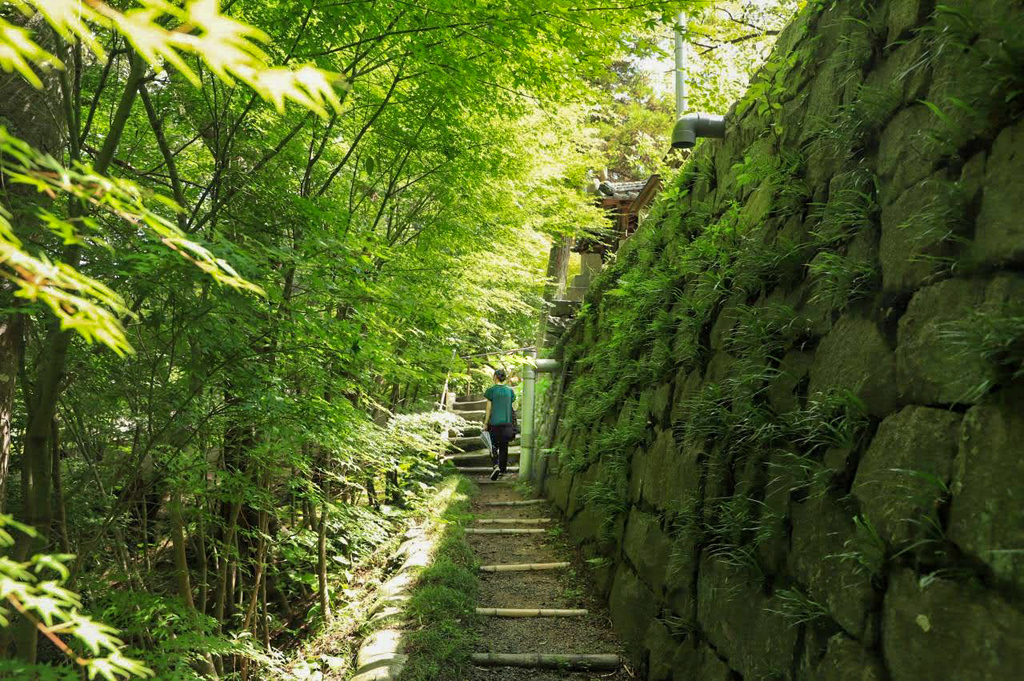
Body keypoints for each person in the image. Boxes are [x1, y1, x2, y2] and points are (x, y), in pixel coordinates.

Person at [483, 368, 516, 480]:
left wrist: (485, 423)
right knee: (504, 447)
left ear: (495, 377)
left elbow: (488, 408)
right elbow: (514, 407)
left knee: (493, 446)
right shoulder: (510, 391)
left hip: (494, 424)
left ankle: (495, 465)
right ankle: (502, 471)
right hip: (507, 424)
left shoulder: (491, 390)